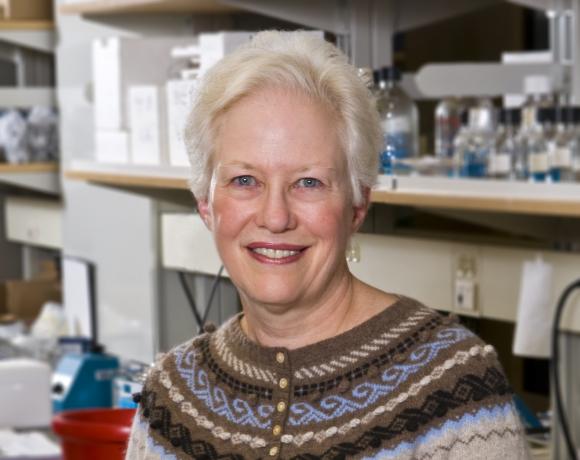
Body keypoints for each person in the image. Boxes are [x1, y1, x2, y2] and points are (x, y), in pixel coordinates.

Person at [126, 31, 530, 459]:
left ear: (357, 205)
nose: (275, 217)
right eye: (244, 180)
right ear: (206, 205)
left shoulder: (453, 389)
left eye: (309, 182)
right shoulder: (171, 397)